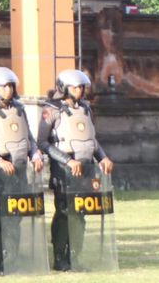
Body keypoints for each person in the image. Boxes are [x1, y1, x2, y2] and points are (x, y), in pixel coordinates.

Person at [0, 66, 48, 274]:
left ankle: (12, 257)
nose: (8, 90)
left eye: (11, 86)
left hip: (19, 169)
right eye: (4, 86)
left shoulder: (19, 108)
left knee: (16, 214)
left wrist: (35, 154)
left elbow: (29, 137)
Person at [41, 69, 116, 271]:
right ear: (65, 88)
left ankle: (75, 256)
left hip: (86, 169)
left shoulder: (86, 109)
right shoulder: (52, 110)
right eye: (75, 87)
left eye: (82, 87)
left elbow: (92, 140)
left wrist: (103, 157)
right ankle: (60, 257)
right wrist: (67, 161)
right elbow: (43, 143)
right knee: (65, 213)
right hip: (64, 169)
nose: (80, 91)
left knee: (80, 214)